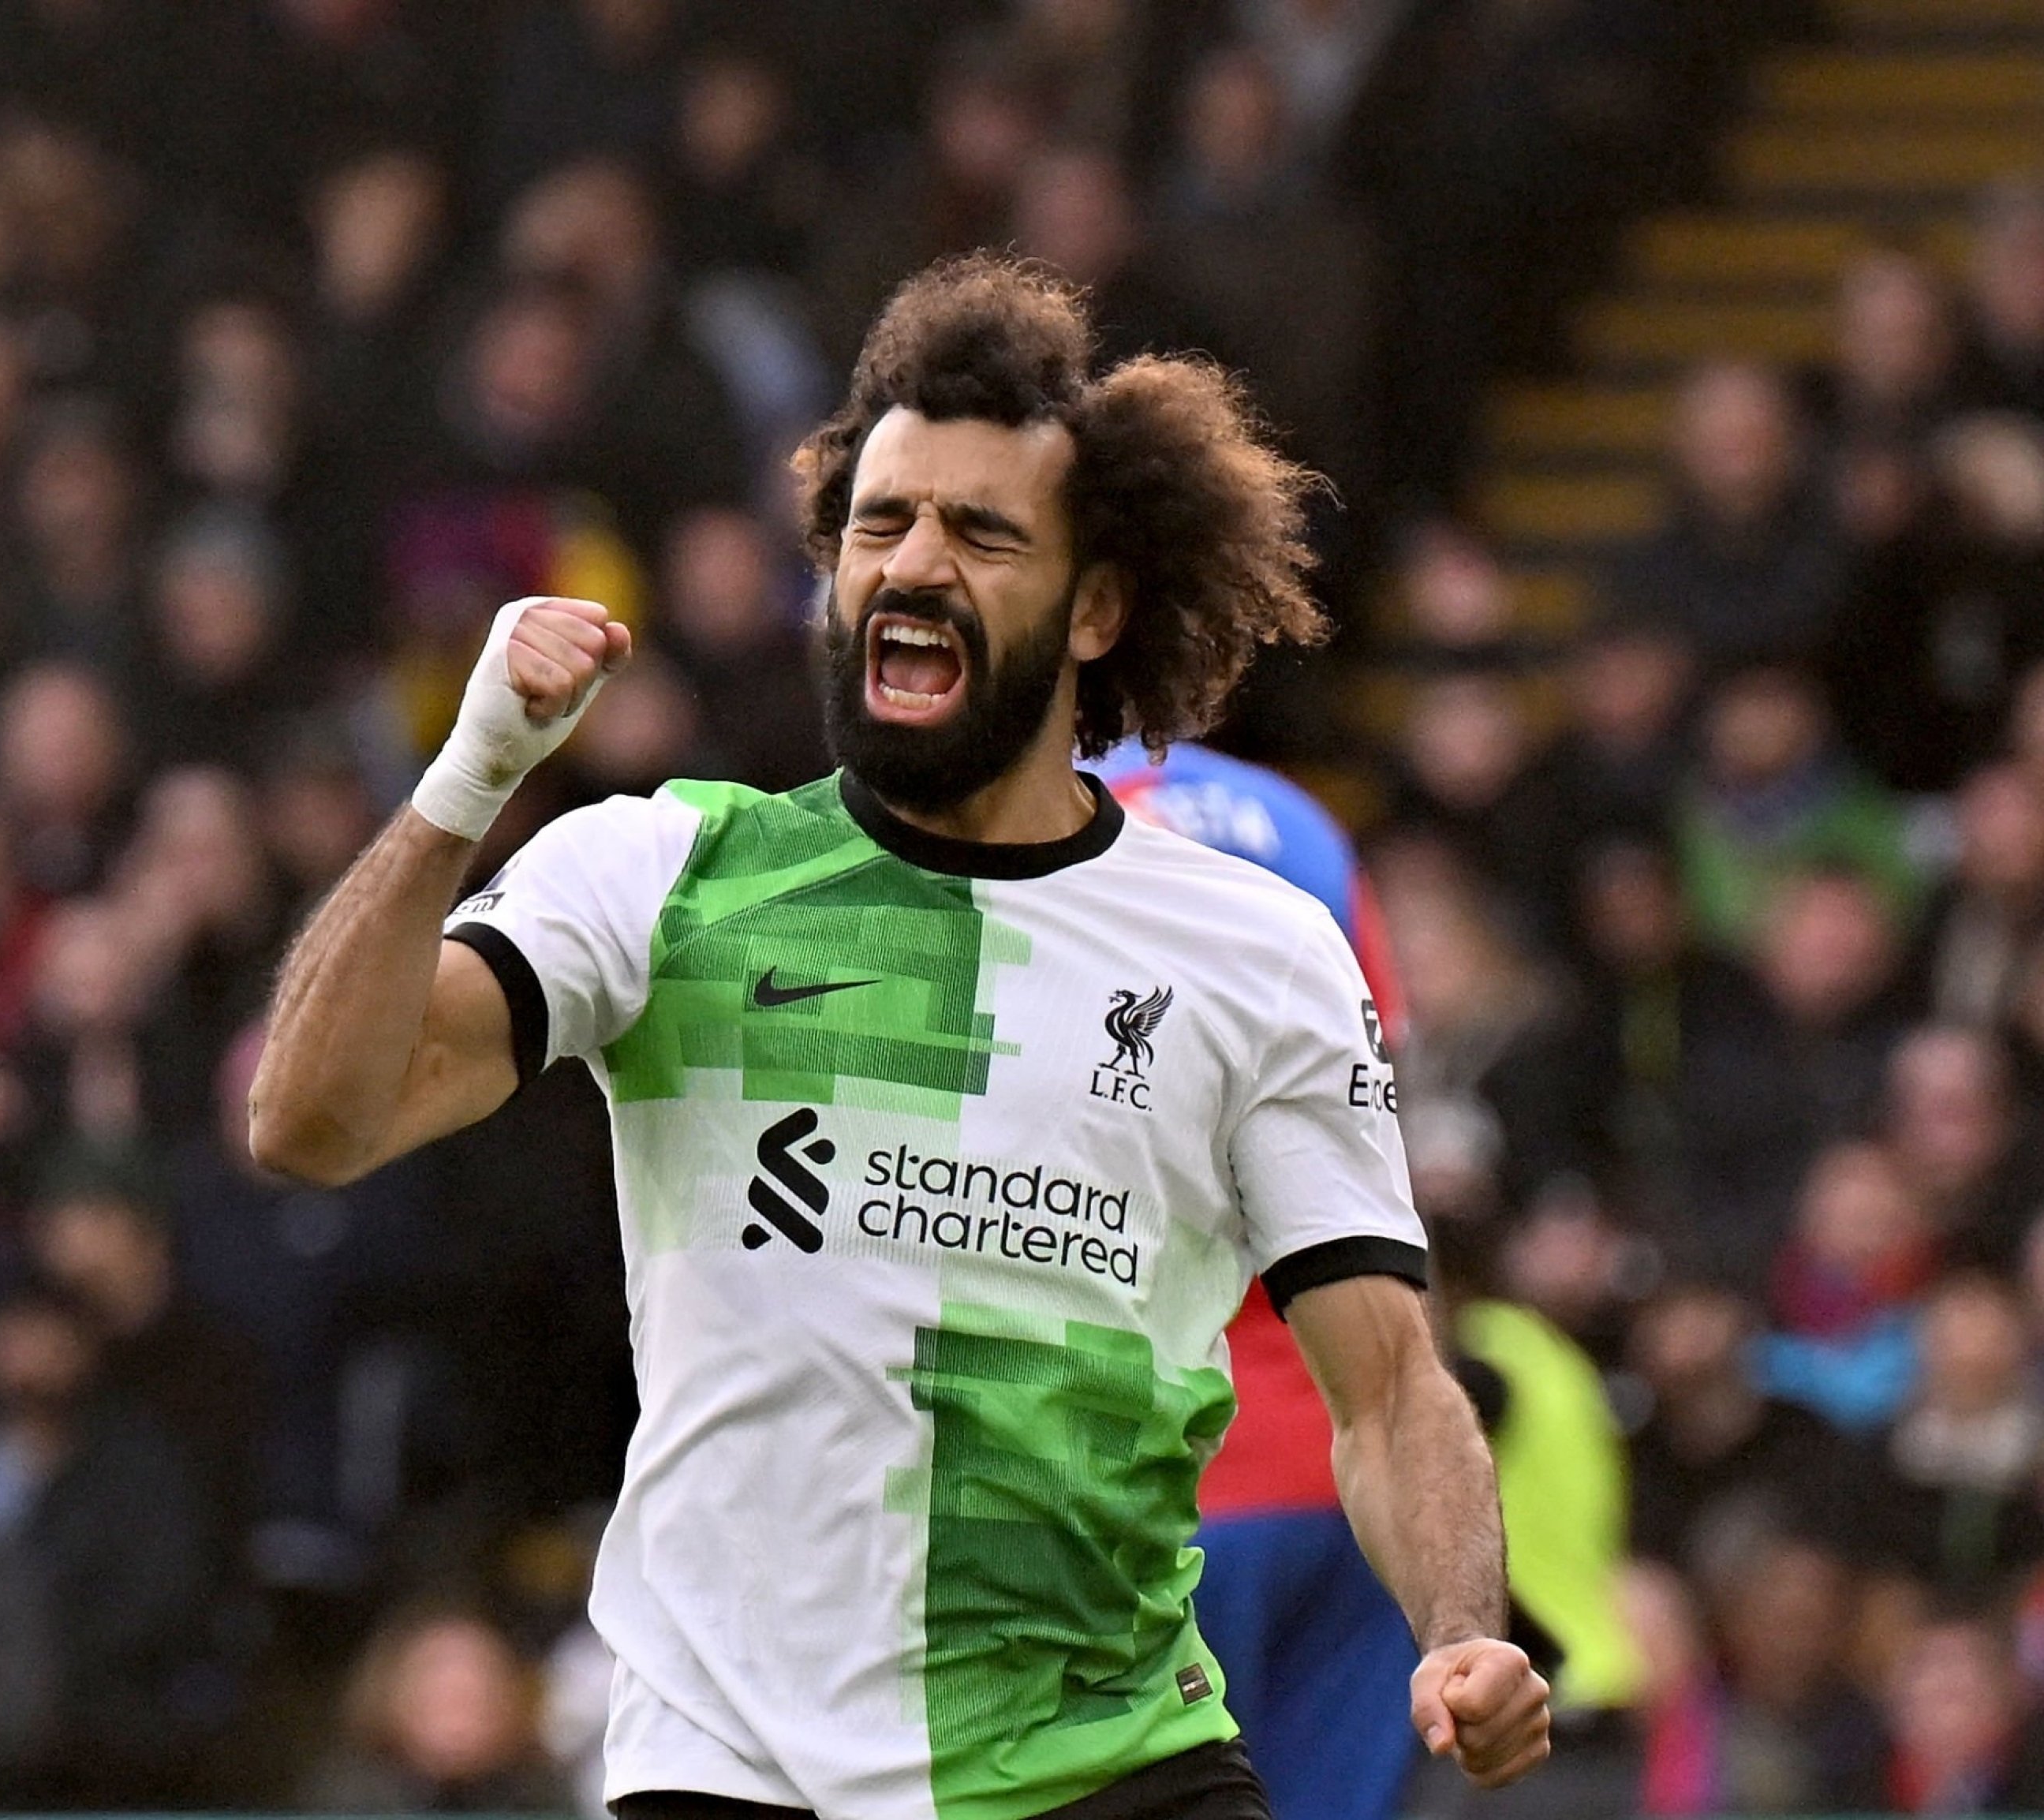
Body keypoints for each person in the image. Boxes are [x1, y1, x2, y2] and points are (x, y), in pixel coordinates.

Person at [249, 254, 1549, 1820]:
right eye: (879, 524)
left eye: (981, 533)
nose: (913, 563)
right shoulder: (666, 874)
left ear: (1097, 608)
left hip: (1105, 1766)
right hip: (741, 1779)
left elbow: (1391, 1389)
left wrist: (1463, 1630)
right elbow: (312, 1120)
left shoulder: (1253, 951)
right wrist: (464, 780)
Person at [1096, 740, 1420, 1820]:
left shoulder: (1045, 826)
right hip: (1357, 1480)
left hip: (1156, 1483)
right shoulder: (1301, 823)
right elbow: (1385, 1118)